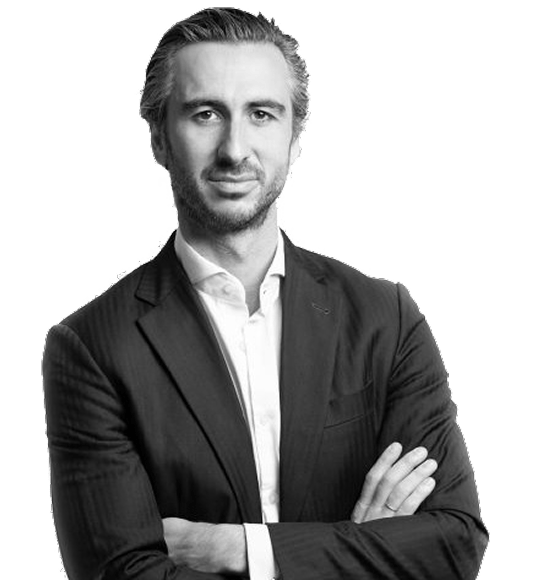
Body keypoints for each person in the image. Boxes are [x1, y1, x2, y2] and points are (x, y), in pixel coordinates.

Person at [42, 7, 488, 580]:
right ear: (159, 138)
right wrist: (361, 550)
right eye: (205, 114)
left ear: (295, 137)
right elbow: (123, 574)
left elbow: (454, 544)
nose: (234, 149)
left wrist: (240, 549)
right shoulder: (93, 349)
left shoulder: (385, 319)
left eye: (261, 114)